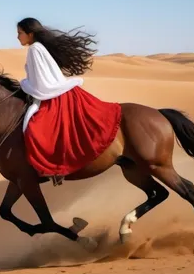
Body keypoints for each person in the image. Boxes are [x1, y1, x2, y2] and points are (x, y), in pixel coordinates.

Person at [17, 17, 122, 186]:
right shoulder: (38, 48)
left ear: (30, 34)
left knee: (37, 130)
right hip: (56, 92)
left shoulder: (34, 49)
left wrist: (23, 84)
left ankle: (54, 169)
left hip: (54, 96)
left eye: (20, 33)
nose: (18, 37)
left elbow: (42, 85)